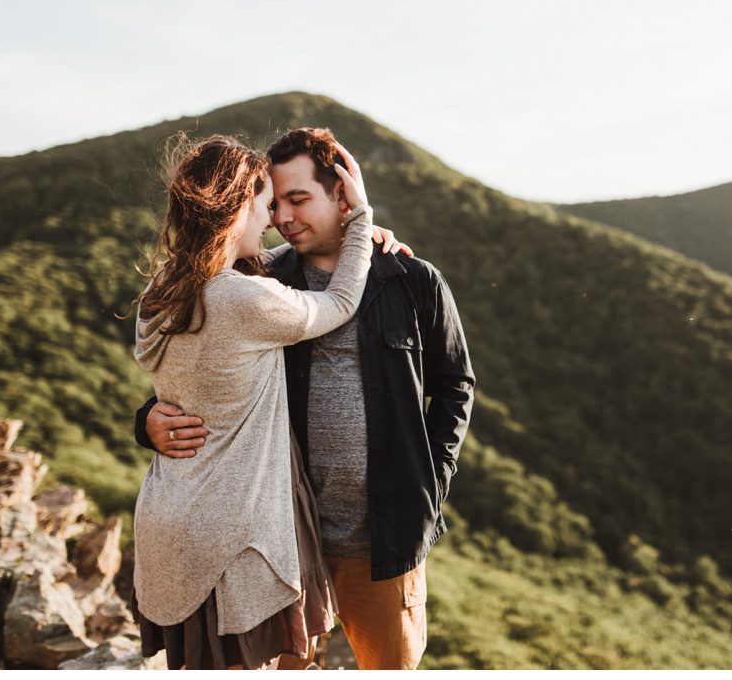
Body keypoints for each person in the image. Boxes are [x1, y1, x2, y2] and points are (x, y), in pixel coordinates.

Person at [133, 127, 476, 670]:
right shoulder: (261, 277)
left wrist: (432, 482)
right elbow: (196, 367)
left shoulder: (412, 280)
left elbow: (454, 384)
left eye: (298, 200)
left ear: (341, 196)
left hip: (382, 536)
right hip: (281, 537)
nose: (282, 217)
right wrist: (148, 419)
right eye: (275, 202)